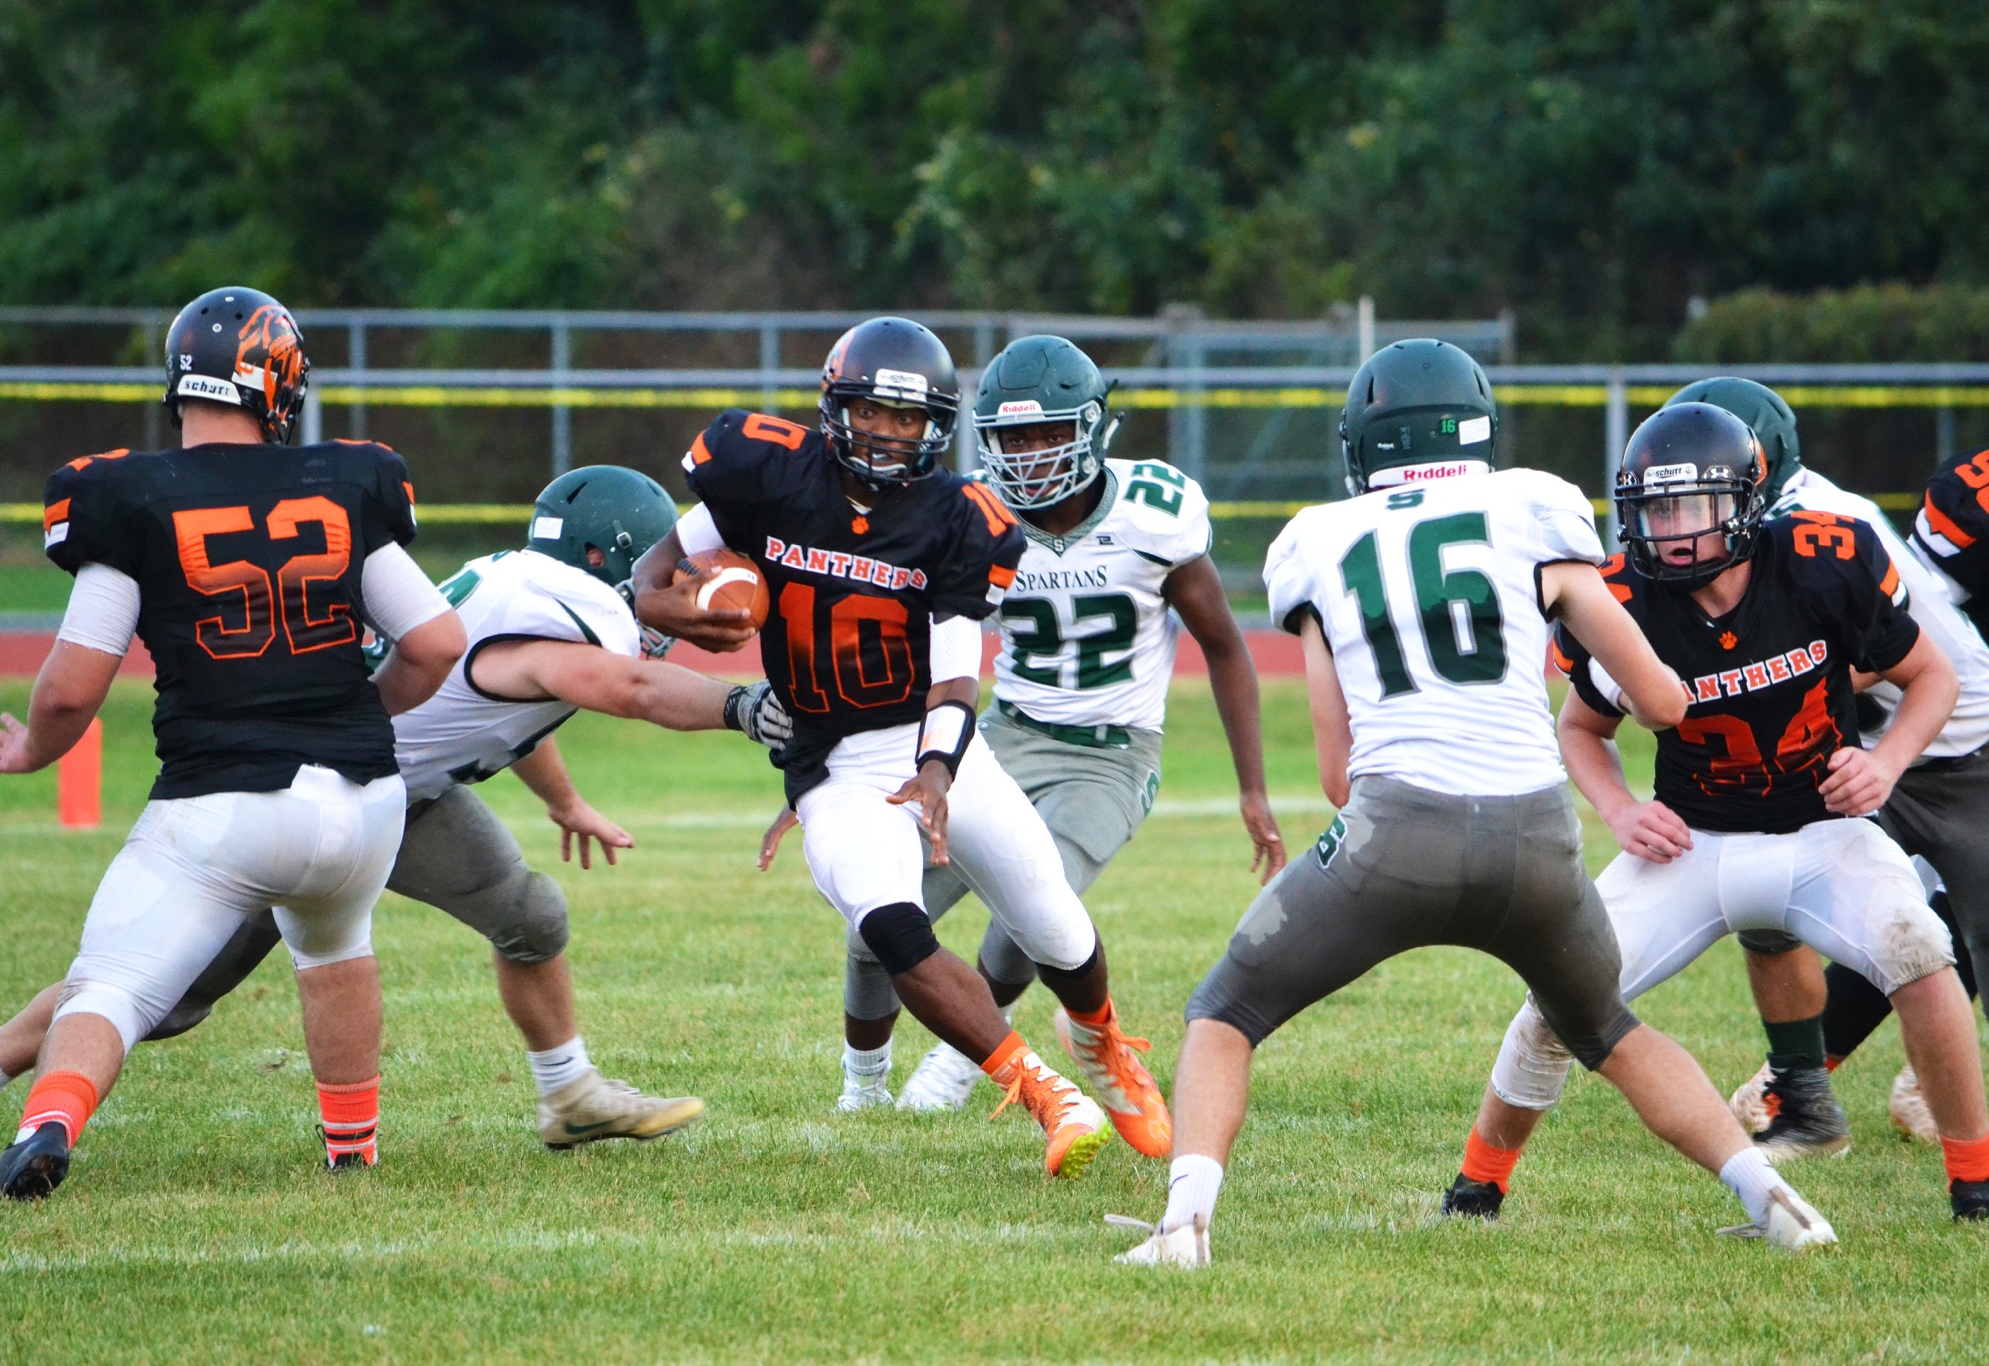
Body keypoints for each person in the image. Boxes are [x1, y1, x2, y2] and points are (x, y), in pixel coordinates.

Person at [1110, 342, 1836, 1268]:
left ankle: (1183, 1229)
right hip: (1539, 841)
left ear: (1365, 442)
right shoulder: (1534, 506)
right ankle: (1778, 1201)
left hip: (1393, 836)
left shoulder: (1314, 539)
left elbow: (1338, 772)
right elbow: (1659, 701)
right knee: (1608, 1030)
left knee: (1224, 1011)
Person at [0, 465, 794, 1150]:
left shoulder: (524, 586)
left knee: (531, 917)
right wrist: (743, 707)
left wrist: (567, 802)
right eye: (664, 565)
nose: (675, 582)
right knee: (158, 997)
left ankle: (570, 1096)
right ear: (602, 555)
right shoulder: (566, 616)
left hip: (399, 790)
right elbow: (627, 686)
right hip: (327, 795)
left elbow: (509, 703)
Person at [635, 316, 1165, 1177]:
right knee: (888, 920)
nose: (888, 434)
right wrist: (702, 617)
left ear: (936, 429)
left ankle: (1102, 1046)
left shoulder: (962, 519)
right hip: (831, 763)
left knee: (1053, 925)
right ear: (832, 405)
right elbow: (649, 581)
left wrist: (933, 773)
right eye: (873, 413)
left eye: (910, 420)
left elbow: (958, 679)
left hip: (930, 744)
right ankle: (1045, 1095)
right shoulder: (762, 468)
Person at [1448, 400, 1989, 1228]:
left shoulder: (1823, 558)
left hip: (1823, 834)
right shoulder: (1620, 596)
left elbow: (1933, 677)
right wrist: (1622, 810)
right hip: (1691, 846)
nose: (1669, 530)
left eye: (1690, 506)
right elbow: (1582, 729)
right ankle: (1478, 1183)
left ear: (1746, 501)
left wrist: (1884, 763)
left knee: (1922, 951)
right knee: (1558, 998)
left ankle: (1975, 1183)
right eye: (1654, 509)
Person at [0, 287, 467, 1199]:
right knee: (336, 946)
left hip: (223, 805)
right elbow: (439, 642)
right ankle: (353, 1150)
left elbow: (71, 687)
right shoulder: (343, 479)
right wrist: (363, 715)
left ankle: (47, 1122)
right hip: (367, 808)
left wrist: (34, 753)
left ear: (181, 383)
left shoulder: (125, 492)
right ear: (279, 386)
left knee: (113, 985)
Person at [817, 334, 1285, 1119]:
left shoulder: (1153, 512)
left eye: (1048, 434)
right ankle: (861, 1086)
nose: (1030, 455)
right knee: (879, 922)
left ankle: (958, 1066)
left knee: (1034, 915)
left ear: (1093, 429)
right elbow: (912, 648)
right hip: (999, 737)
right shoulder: (972, 518)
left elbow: (1226, 646)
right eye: (1012, 438)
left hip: (1109, 755)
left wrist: (1253, 790)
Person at [1670, 382, 1989, 1157]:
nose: (1684, 513)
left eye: (1703, 486)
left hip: (1955, 739)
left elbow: (1872, 661)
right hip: (1848, 745)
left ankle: (1927, 1094)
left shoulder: (1821, 527)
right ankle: (1799, 1088)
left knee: (1938, 933)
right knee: (1780, 909)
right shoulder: (1752, 524)